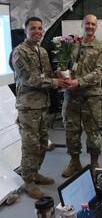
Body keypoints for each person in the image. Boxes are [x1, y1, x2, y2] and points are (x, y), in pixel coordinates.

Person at [12, 17, 68, 199]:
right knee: (31, 146)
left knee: (43, 143)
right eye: (33, 28)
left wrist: (59, 75)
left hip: (43, 106)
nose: (37, 31)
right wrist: (55, 82)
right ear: (25, 30)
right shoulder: (19, 53)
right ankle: (28, 181)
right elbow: (30, 79)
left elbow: (46, 74)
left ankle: (35, 172)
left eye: (40, 28)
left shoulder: (42, 51)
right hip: (28, 108)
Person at [62, 14, 102, 178]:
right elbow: (64, 64)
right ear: (82, 25)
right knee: (71, 131)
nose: (90, 26)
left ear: (96, 27)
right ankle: (74, 162)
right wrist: (62, 74)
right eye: (87, 24)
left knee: (93, 131)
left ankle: (94, 162)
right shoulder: (72, 45)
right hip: (72, 96)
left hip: (91, 97)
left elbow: (99, 72)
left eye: (93, 24)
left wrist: (79, 82)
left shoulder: (101, 47)